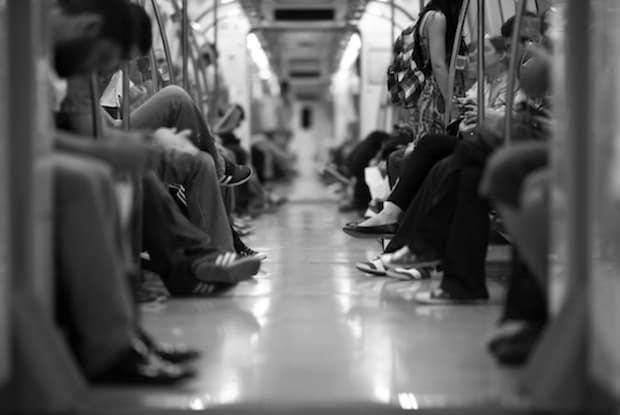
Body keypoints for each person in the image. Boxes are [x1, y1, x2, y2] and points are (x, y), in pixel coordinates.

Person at [344, 35, 510, 237]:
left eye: (485, 50)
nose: (476, 55)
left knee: (424, 153)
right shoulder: (482, 84)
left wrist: (479, 116)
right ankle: (389, 216)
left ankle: (391, 218)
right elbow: (467, 114)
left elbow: (503, 122)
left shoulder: (509, 85)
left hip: (488, 144)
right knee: (399, 152)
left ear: (503, 55)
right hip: (472, 138)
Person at [408, 0, 465, 142]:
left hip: (431, 90)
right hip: (439, 95)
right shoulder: (438, 18)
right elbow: (438, 65)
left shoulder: (428, 16)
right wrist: (451, 102)